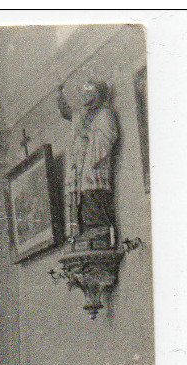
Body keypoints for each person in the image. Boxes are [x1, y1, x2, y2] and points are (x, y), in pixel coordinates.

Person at [57, 79, 119, 247]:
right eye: (84, 93)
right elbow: (67, 113)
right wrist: (59, 95)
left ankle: (100, 228)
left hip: (95, 161)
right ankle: (88, 229)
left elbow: (108, 135)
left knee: (93, 191)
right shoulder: (84, 115)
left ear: (98, 94)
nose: (86, 97)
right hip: (83, 161)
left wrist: (88, 133)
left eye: (90, 93)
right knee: (82, 195)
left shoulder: (105, 113)